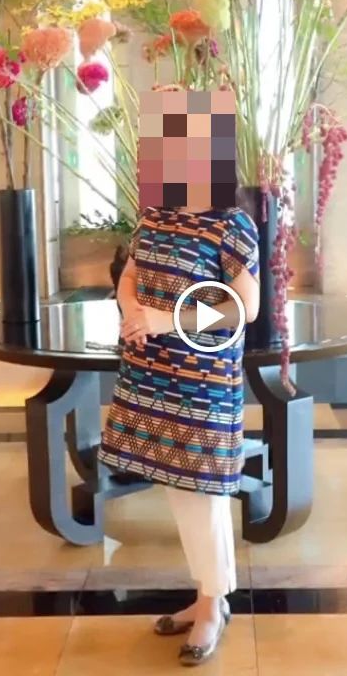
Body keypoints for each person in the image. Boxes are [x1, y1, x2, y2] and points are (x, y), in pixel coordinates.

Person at [98, 200, 260, 666]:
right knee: (180, 486)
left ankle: (213, 605)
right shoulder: (154, 216)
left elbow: (244, 308)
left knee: (203, 489)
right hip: (153, 370)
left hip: (203, 380)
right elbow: (130, 275)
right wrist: (133, 310)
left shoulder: (231, 224)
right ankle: (208, 597)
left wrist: (165, 319)